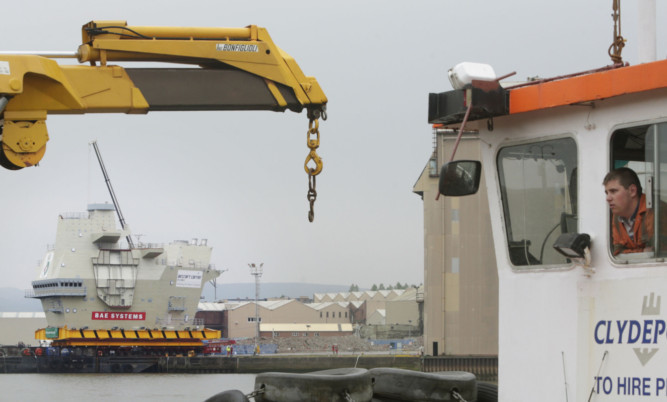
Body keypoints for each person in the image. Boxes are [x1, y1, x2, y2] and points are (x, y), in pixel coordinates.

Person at [603, 167, 654, 255]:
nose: (608, 198)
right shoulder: (616, 216)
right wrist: (642, 252)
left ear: (632, 191)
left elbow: (658, 252)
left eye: (613, 191)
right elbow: (617, 252)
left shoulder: (654, 212)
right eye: (607, 193)